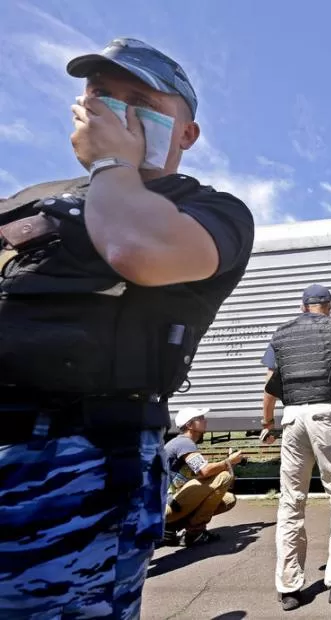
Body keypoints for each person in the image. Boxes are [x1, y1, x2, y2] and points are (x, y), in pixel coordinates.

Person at [0, 37, 254, 618]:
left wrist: (112, 164)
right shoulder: (32, 200)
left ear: (187, 134)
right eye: (101, 97)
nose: (114, 113)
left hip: (75, 465)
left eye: (139, 101)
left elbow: (138, 249)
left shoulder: (210, 212)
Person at [260, 284, 331, 610]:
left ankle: (289, 588)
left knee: (291, 502)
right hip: (328, 413)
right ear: (329, 305)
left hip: (292, 417)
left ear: (303, 306)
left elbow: (270, 384)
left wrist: (267, 423)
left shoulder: (281, 333)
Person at [163, 407, 243, 546]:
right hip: (166, 505)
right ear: (189, 425)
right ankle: (194, 532)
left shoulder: (184, 444)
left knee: (228, 499)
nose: (205, 420)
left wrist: (228, 464)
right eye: (200, 418)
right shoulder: (184, 443)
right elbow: (205, 471)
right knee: (223, 477)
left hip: (172, 502)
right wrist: (229, 462)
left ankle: (172, 527)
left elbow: (204, 474)